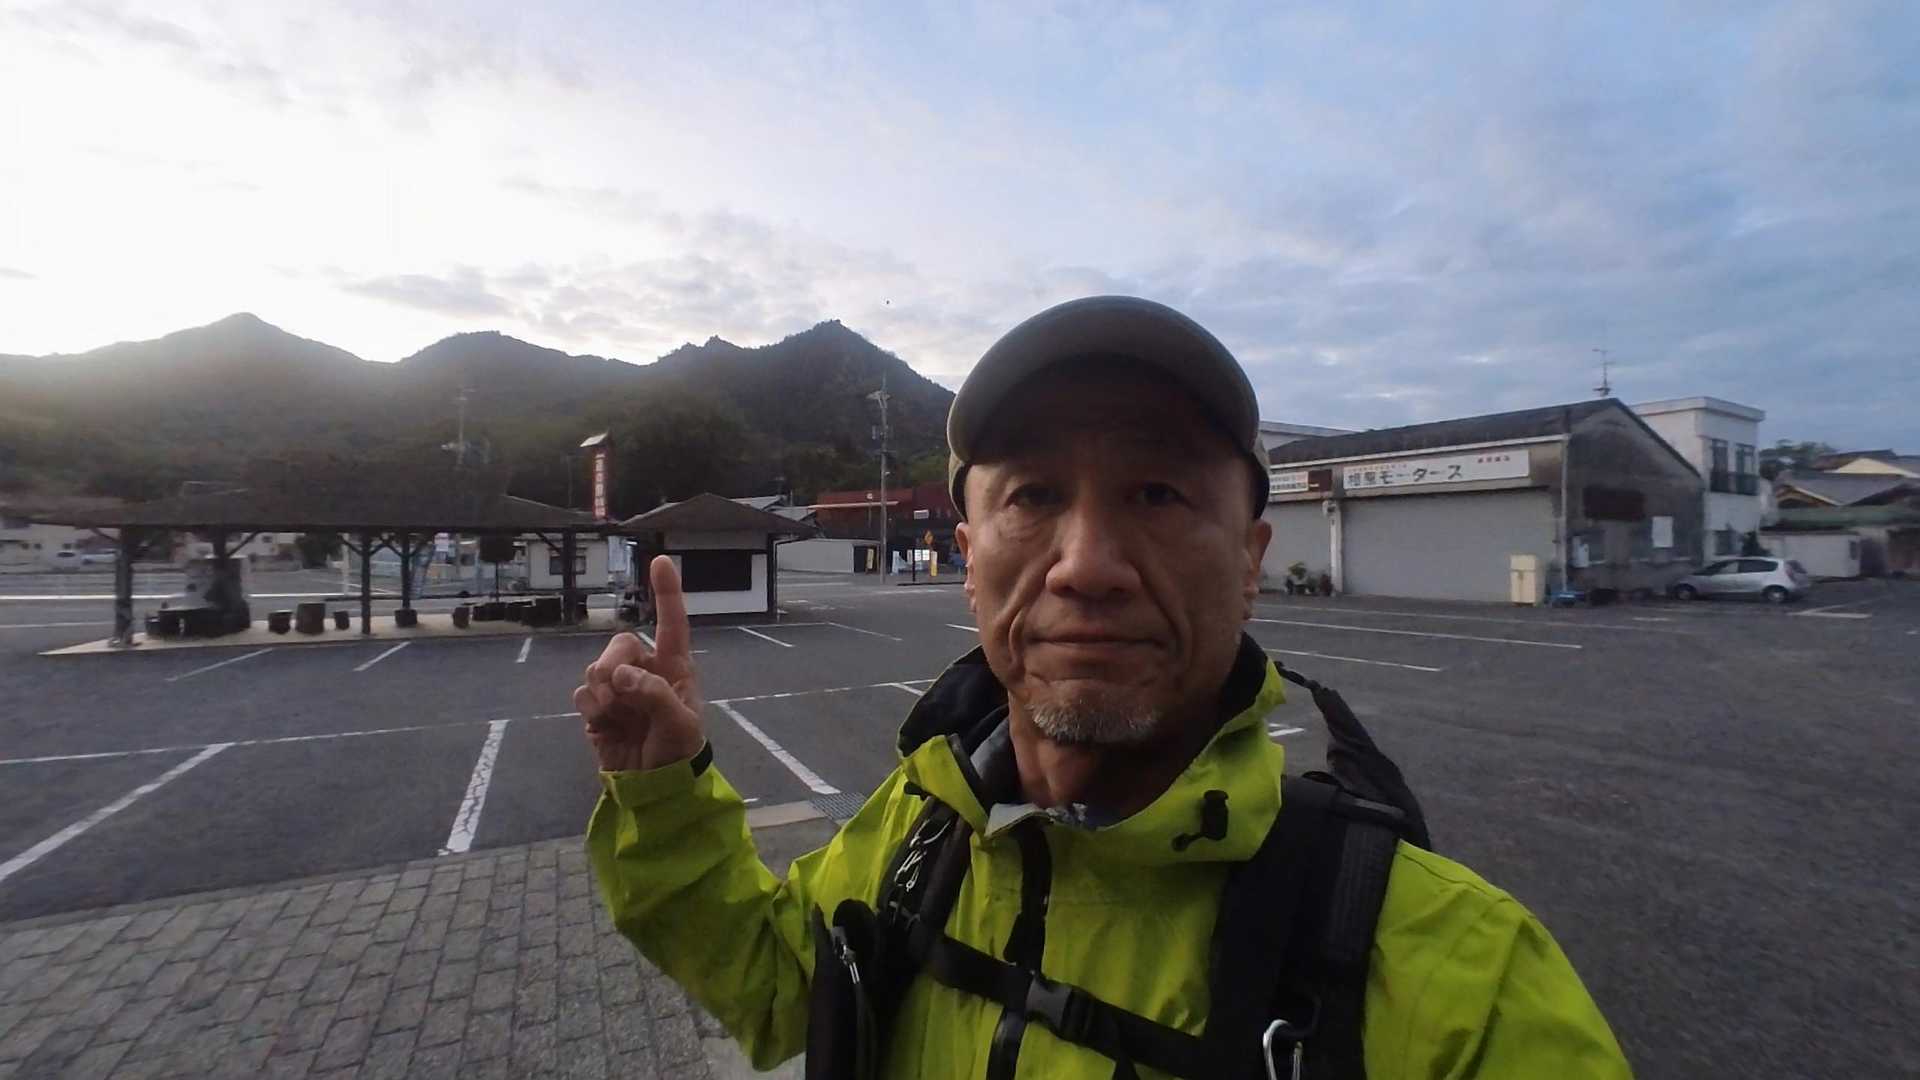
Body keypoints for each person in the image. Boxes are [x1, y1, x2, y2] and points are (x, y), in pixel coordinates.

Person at [575, 296, 1631, 1078]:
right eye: (1033, 495)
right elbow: (777, 989)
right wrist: (664, 799)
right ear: (969, 561)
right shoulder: (918, 835)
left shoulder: (1462, 986)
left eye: (1158, 492)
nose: (1085, 565)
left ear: (1251, 562)